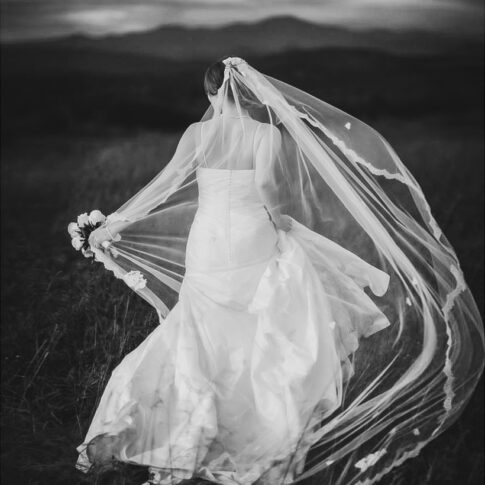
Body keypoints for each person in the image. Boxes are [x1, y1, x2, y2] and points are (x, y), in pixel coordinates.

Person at [76, 56, 484, 485]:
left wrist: (116, 222)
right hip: (252, 234)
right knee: (257, 330)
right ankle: (258, 424)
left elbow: (166, 180)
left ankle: (169, 426)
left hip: (209, 241)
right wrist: (281, 219)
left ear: (211, 93)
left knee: (199, 327)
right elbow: (270, 188)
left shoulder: (197, 133)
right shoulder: (264, 133)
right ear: (248, 92)